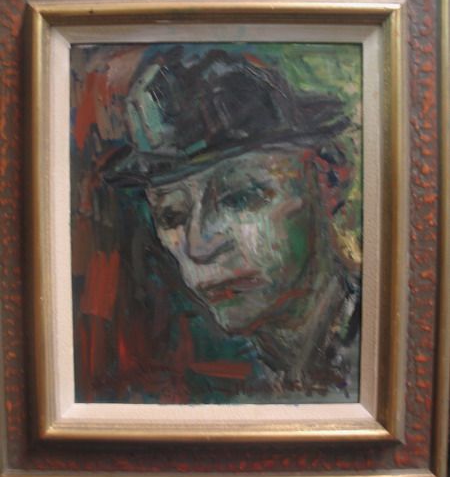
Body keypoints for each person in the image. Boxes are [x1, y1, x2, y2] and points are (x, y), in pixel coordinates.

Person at [99, 44, 362, 402]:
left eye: (241, 196)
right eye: (171, 215)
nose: (198, 246)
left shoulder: (383, 343)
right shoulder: (206, 383)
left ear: (329, 178)